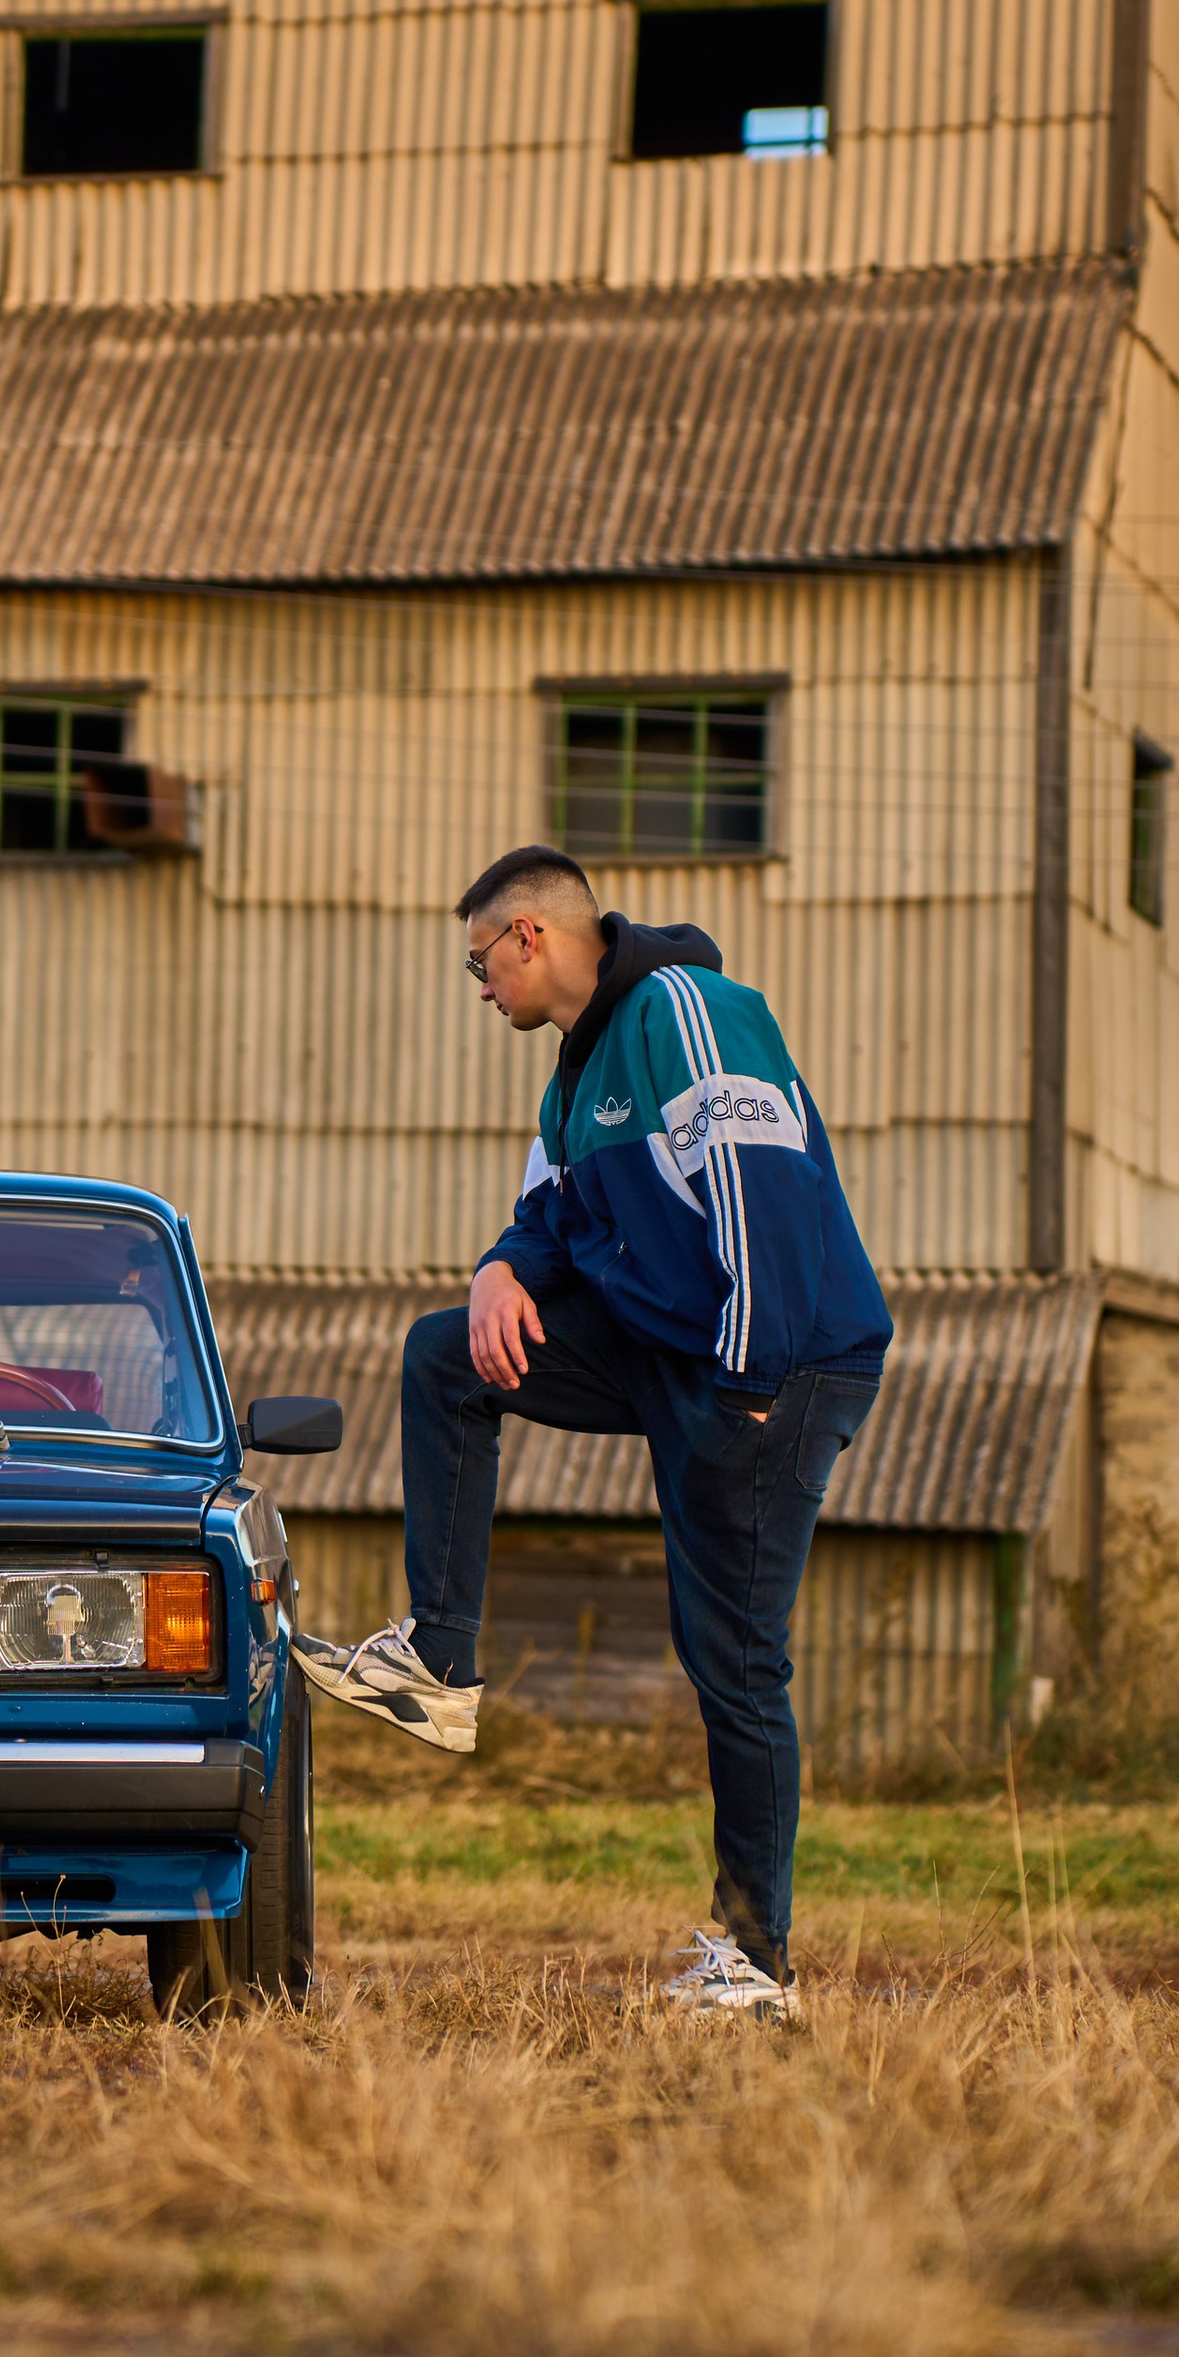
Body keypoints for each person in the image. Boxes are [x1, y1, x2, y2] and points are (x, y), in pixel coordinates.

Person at [298, 847, 891, 2018]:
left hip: (775, 1366)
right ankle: (440, 1661)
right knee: (445, 1355)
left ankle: (755, 1962)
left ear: (529, 936)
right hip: (674, 1354)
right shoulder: (570, 1079)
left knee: (732, 1657)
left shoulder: (690, 1010)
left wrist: (749, 1386)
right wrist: (495, 1273)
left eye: (479, 964)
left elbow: (755, 1192)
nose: (478, 991)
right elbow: (548, 1217)